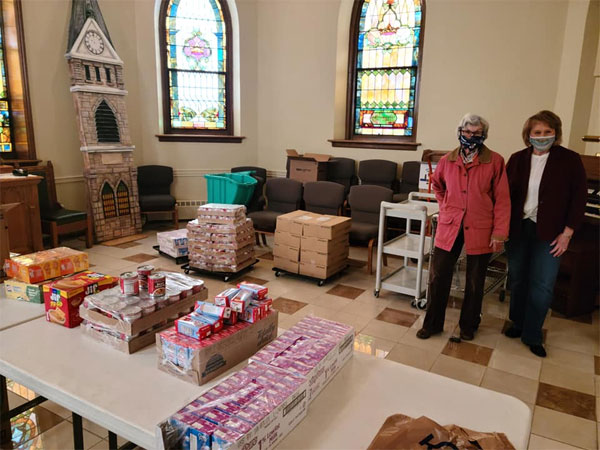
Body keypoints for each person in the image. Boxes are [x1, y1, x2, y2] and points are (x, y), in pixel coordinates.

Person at [417, 113, 510, 341]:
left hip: (480, 226)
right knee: (438, 276)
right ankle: (432, 324)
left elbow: (503, 199)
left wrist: (499, 232)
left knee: (475, 279)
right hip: (450, 225)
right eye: (467, 132)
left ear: (484, 135)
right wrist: (446, 205)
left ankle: (469, 325)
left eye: (476, 133)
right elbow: (437, 185)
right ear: (460, 132)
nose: (470, 136)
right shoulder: (448, 159)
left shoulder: (495, 161)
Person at [504, 110, 587, 357]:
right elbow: (504, 196)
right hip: (519, 228)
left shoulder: (570, 160)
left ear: (556, 133)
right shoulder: (517, 159)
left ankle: (532, 334)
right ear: (528, 135)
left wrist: (567, 234)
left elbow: (579, 199)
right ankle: (517, 323)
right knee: (518, 279)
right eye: (537, 133)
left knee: (542, 284)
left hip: (551, 231)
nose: (542, 137)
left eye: (547, 132)